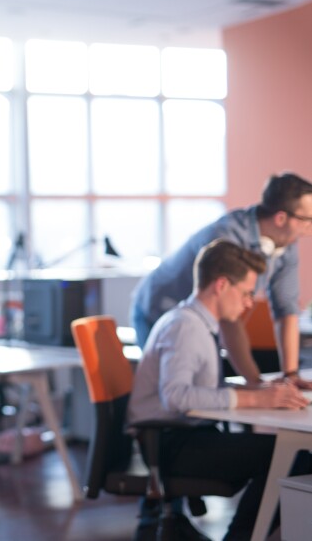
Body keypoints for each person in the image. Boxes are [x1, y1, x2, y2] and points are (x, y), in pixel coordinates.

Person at [128, 239, 309, 541]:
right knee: (294, 457)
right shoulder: (185, 327)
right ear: (222, 285)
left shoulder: (197, 323)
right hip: (170, 444)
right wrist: (255, 397)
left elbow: (201, 389)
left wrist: (263, 391)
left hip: (183, 437)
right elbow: (175, 396)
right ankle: (242, 537)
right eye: (247, 293)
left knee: (292, 453)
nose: (250, 303)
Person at [130, 172, 312, 387]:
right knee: (178, 392)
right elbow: (228, 318)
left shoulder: (286, 245)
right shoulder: (227, 237)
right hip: (159, 309)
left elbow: (286, 310)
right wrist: (256, 384)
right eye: (306, 219)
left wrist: (290, 376)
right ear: (281, 218)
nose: (309, 228)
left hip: (205, 320)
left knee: (209, 387)